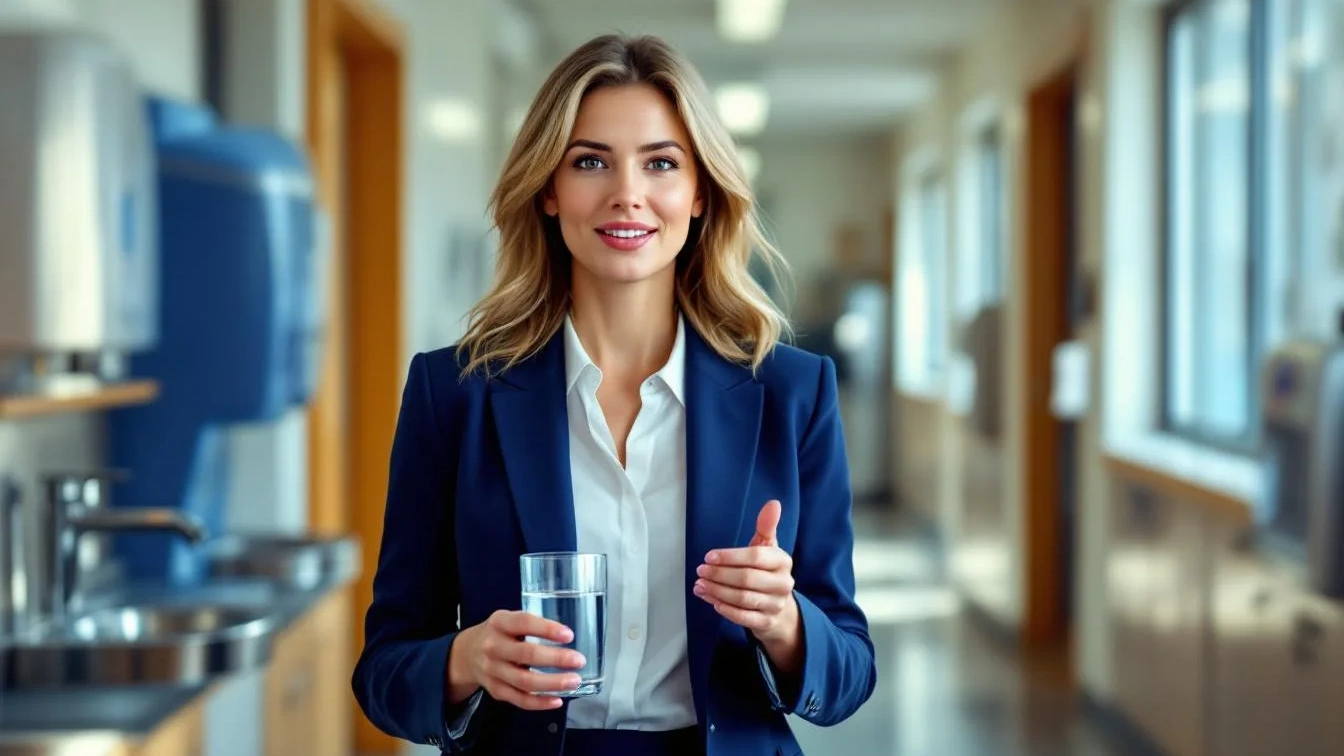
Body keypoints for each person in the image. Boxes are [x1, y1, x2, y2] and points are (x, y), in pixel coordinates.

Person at [351, 33, 876, 756]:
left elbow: (849, 672)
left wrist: (785, 621)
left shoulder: (790, 392)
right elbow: (383, 672)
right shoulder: (455, 395)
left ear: (698, 194)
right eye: (590, 161)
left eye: (660, 162)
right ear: (548, 189)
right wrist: (465, 659)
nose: (627, 192)